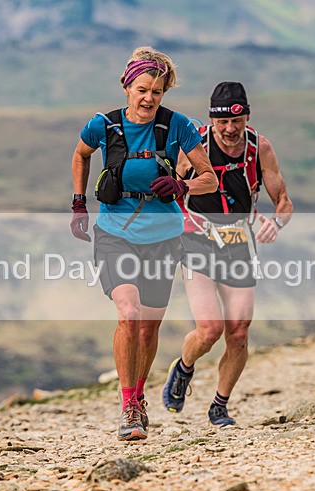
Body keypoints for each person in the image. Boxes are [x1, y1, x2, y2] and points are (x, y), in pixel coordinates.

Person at [70, 47, 216, 441]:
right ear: (126, 87)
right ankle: (129, 405)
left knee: (149, 330)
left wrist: (183, 184)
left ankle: (139, 397)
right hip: (115, 233)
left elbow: (210, 178)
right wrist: (79, 203)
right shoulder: (103, 125)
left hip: (163, 238)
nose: (149, 98)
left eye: (157, 91)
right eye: (142, 89)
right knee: (129, 313)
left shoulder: (177, 126)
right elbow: (81, 155)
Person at [162, 81, 293, 427]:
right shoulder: (194, 146)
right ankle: (183, 368)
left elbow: (284, 203)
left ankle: (219, 406)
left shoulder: (259, 148)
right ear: (212, 120)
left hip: (238, 243)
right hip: (197, 242)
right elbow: (171, 194)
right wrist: (184, 221)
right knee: (209, 330)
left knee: (238, 331)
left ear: (247, 118)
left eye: (237, 122)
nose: (230, 130)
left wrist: (275, 225)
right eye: (222, 123)